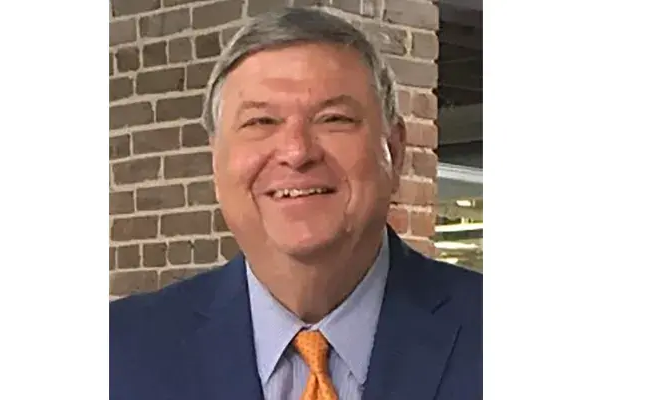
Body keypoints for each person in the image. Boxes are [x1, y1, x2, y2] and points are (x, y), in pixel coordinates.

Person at [110, 7, 481, 400]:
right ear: (216, 161)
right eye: (261, 122)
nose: (297, 152)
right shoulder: (118, 351)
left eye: (334, 119)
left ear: (395, 150)